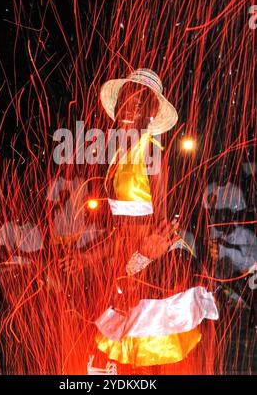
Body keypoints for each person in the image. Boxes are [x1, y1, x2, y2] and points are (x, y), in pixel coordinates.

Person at [87, 68, 219, 375]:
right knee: (120, 349)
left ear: (152, 114)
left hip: (155, 267)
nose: (130, 110)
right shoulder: (118, 155)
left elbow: (160, 227)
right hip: (133, 260)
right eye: (126, 101)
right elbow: (123, 229)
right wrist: (92, 256)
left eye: (140, 104)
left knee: (140, 348)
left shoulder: (152, 154)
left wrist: (143, 257)